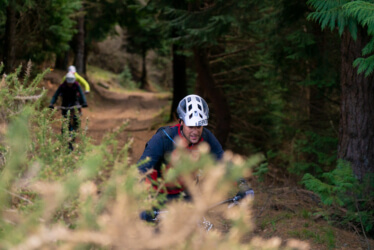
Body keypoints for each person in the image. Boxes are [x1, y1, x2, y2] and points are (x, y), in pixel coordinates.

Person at [138, 94, 253, 221]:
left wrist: (242, 185)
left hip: (186, 194)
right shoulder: (162, 139)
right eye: (191, 126)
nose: (195, 131)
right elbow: (141, 170)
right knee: (152, 233)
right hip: (157, 195)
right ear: (181, 122)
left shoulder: (206, 137)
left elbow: (223, 161)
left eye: (198, 126)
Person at [49, 72, 88, 150]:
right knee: (65, 122)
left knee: (75, 119)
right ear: (66, 81)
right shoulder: (62, 86)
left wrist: (84, 102)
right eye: (68, 83)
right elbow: (55, 95)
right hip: (65, 105)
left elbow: (81, 94)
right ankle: (64, 139)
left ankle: (73, 135)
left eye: (71, 83)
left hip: (74, 104)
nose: (70, 84)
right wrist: (51, 103)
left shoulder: (76, 85)